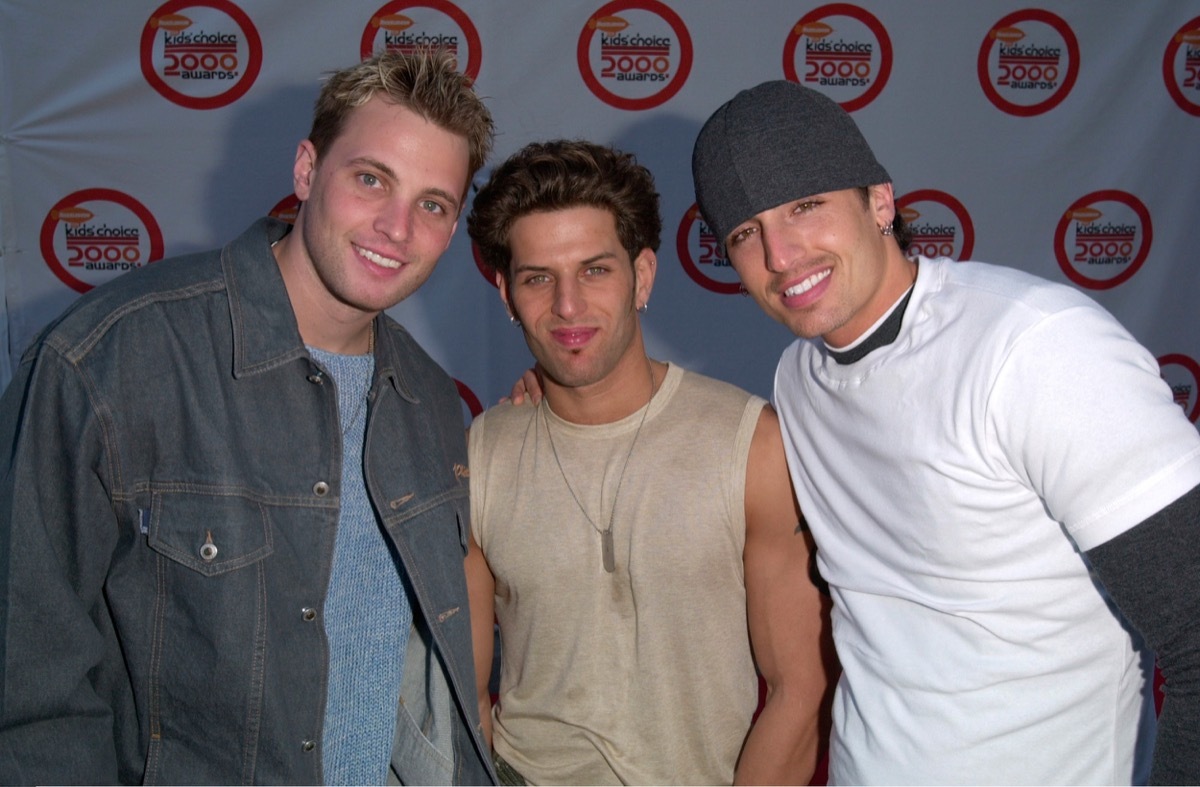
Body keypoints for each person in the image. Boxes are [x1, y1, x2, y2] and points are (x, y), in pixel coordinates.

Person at [0, 50, 497, 784]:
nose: (397, 227)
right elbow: (28, 685)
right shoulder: (108, 359)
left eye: (432, 204)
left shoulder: (427, 398)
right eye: (371, 179)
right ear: (306, 171)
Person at [687, 79, 1200, 784]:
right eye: (746, 233)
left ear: (879, 200)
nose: (781, 255)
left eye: (805, 205)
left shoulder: (1035, 347)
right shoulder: (797, 379)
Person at [462, 139, 833, 786]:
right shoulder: (475, 457)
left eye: (595, 270)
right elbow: (463, 693)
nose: (568, 306)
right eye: (538, 278)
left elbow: (799, 690)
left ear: (644, 275)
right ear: (505, 292)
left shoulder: (751, 444)